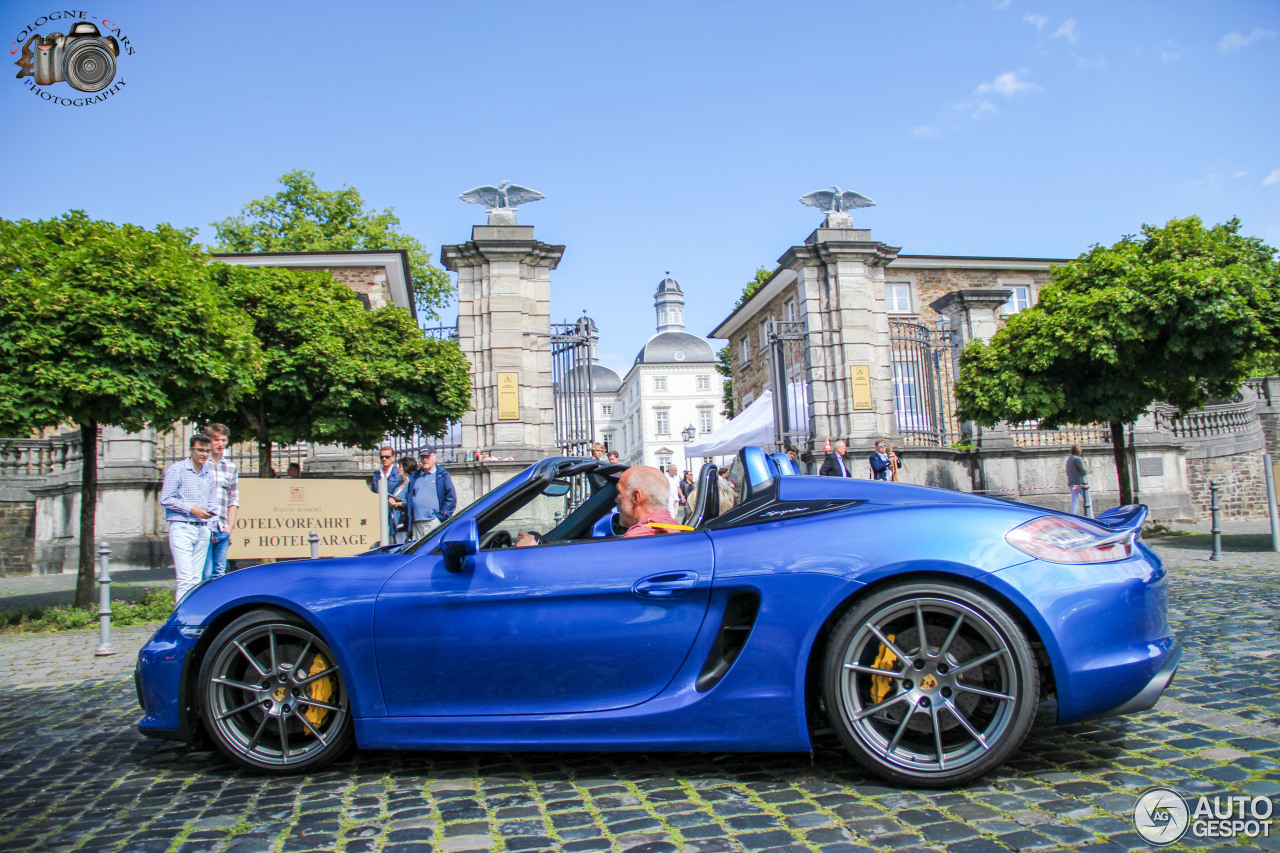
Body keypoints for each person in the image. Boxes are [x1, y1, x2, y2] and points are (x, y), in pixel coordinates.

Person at [160, 433, 219, 602]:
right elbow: (166, 499)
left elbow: (212, 500)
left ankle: (193, 617)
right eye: (200, 450)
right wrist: (192, 509)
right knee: (185, 579)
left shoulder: (207, 472)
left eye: (207, 451)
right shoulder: (177, 470)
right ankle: (181, 619)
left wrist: (211, 526)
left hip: (202, 528)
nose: (204, 454)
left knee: (196, 580)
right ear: (191, 450)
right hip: (182, 526)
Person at [202, 424, 239, 582]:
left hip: (222, 526)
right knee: (205, 572)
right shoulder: (201, 465)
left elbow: (234, 498)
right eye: (216, 440)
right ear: (209, 441)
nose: (220, 444)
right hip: (204, 525)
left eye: (223, 440)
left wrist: (229, 526)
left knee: (219, 572)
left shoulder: (230, 467)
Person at [616, 466, 692, 537]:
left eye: (619, 492)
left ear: (636, 497)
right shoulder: (681, 531)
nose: (616, 500)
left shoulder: (634, 539)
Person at [405, 448, 457, 539]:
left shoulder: (442, 475)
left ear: (435, 458)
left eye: (427, 457)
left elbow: (451, 498)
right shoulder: (415, 476)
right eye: (422, 457)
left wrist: (441, 517)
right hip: (416, 524)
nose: (425, 460)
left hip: (433, 523)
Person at [370, 445, 403, 537]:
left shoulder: (398, 474)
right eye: (382, 457)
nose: (384, 459)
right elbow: (373, 493)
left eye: (387, 457)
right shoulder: (377, 475)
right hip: (379, 512)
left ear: (393, 458)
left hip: (394, 513)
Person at [387, 456, 418, 544]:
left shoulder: (411, 483)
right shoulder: (399, 484)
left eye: (400, 466)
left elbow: (411, 502)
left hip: (403, 522)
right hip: (395, 522)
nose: (398, 468)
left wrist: (396, 504)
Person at [1066, 444, 1088, 514]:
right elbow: (1083, 471)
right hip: (1080, 484)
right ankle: (1090, 515)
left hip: (1072, 484)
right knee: (1087, 499)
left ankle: (1073, 515)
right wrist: (1089, 470)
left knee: (1075, 500)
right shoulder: (1078, 459)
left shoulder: (1069, 459)